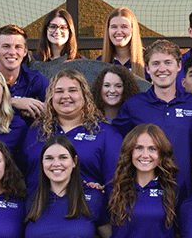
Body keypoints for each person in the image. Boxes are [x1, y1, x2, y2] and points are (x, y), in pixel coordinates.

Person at [115, 40, 192, 197]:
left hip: (187, 194)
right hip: (146, 196)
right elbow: (116, 146)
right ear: (148, 68)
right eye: (156, 63)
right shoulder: (134, 105)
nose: (162, 69)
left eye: (167, 63)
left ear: (178, 66)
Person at [21, 68, 121, 196]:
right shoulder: (36, 130)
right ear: (51, 97)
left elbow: (115, 183)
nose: (65, 96)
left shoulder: (105, 133)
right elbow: (22, 174)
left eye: (72, 90)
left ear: (84, 95)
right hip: (38, 212)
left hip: (86, 212)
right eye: (59, 91)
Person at [30, 8, 80, 78]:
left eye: (63, 27)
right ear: (46, 30)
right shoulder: (34, 63)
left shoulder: (81, 63)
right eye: (53, 27)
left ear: (70, 31)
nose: (57, 32)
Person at [98, 7, 146, 79]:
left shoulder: (147, 60)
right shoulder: (99, 62)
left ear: (133, 30)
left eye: (124, 27)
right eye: (114, 27)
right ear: (108, 30)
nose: (119, 32)